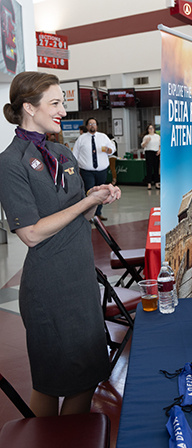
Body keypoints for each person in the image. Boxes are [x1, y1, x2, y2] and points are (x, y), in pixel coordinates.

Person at [0, 71, 121, 417]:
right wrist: (83, 203)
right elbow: (32, 233)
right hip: (50, 288)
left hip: (81, 280)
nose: (63, 111)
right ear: (28, 107)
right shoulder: (9, 163)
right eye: (55, 103)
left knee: (87, 376)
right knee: (50, 382)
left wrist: (95, 198)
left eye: (63, 102)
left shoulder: (62, 154)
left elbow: (83, 217)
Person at [73, 117, 116, 220]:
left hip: (101, 170)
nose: (92, 125)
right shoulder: (81, 138)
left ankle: (98, 213)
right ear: (87, 126)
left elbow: (113, 149)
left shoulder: (103, 137)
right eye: (90, 124)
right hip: (87, 171)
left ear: (97, 126)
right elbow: (74, 154)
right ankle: (88, 215)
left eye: (94, 124)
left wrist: (109, 150)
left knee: (101, 192)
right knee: (89, 191)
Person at [141, 123, 161, 190]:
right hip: (149, 152)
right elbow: (143, 145)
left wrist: (159, 150)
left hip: (156, 153)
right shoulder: (146, 137)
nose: (151, 129)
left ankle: (156, 183)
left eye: (152, 128)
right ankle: (149, 183)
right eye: (150, 128)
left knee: (156, 168)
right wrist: (146, 141)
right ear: (148, 130)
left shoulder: (157, 136)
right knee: (149, 168)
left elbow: (160, 144)